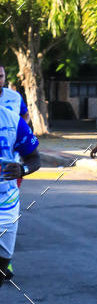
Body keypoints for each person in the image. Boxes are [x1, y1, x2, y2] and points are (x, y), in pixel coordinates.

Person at [0, 103, 41, 286]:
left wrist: (22, 169)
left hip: (5, 202)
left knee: (2, 265)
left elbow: (34, 158)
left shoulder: (13, 121)